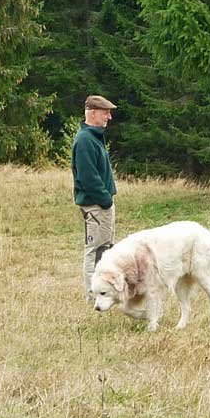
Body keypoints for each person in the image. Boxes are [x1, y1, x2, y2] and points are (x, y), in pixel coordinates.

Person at [72, 94, 118, 298]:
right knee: (96, 252)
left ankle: (103, 293)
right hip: (96, 206)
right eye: (105, 112)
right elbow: (88, 177)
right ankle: (94, 297)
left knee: (105, 250)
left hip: (101, 205)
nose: (109, 117)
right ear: (92, 113)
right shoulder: (85, 140)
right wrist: (105, 200)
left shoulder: (93, 137)